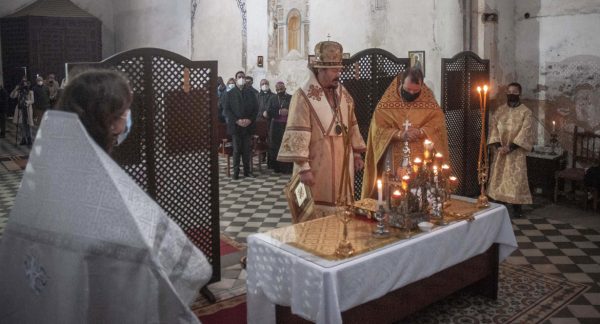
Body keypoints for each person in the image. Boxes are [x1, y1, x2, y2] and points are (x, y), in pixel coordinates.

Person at [0, 69, 212, 323]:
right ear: (111, 121)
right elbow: (192, 270)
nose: (129, 119)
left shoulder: (43, 184)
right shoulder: (114, 198)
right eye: (125, 112)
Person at [277, 40, 366, 221]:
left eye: (339, 69)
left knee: (342, 216)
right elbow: (297, 136)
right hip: (315, 168)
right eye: (334, 70)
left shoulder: (343, 93)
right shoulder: (303, 96)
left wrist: (356, 154)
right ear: (320, 70)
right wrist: (303, 168)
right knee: (313, 220)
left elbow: (352, 124)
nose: (338, 74)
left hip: (343, 167)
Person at [361, 68, 449, 199]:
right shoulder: (387, 103)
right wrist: (399, 134)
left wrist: (421, 131)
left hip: (421, 156)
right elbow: (377, 129)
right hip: (394, 156)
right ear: (401, 83)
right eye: (408, 90)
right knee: (394, 193)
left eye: (416, 91)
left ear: (421, 86)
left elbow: (438, 122)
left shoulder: (428, 100)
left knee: (419, 190)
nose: (412, 93)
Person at [487, 82, 533, 218]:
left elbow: (526, 131)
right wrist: (498, 146)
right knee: (500, 176)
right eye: (509, 91)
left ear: (519, 94)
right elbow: (493, 128)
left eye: (515, 91)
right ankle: (500, 203)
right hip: (501, 151)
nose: (511, 94)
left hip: (516, 151)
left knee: (516, 179)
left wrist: (511, 147)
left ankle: (517, 207)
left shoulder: (526, 112)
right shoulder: (500, 110)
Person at [223, 71, 259, 180]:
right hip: (236, 126)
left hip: (248, 125)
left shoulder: (251, 93)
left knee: (247, 150)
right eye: (239, 77)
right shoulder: (229, 93)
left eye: (243, 77)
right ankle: (236, 172)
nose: (241, 78)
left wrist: (249, 120)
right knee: (237, 150)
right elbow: (227, 110)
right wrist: (237, 121)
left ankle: (247, 171)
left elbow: (255, 109)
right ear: (235, 79)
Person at [267, 81, 293, 174]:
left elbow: (296, 109)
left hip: (288, 125)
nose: (279, 91)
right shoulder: (272, 98)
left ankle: (287, 168)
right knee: (276, 146)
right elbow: (269, 111)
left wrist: (289, 111)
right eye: (277, 89)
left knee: (287, 146)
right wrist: (279, 112)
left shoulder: (291, 98)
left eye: (281, 89)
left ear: (285, 88)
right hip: (276, 126)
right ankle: (277, 168)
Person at [10, 77, 35, 146]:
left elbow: (32, 100)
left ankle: (29, 139)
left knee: (28, 125)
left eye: (25, 83)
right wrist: (15, 89)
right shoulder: (19, 91)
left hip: (27, 109)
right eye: (23, 83)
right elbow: (12, 96)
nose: (24, 85)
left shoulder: (30, 91)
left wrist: (27, 102)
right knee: (22, 125)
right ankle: (24, 138)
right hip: (20, 109)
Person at [257, 79, 276, 168]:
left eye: (266, 83)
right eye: (262, 84)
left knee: (271, 141)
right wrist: (262, 113)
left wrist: (269, 113)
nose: (264, 85)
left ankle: (271, 161)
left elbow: (276, 108)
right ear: (260, 85)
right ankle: (262, 156)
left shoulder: (273, 96)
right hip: (260, 122)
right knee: (261, 140)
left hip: (271, 122)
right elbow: (254, 109)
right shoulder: (257, 96)